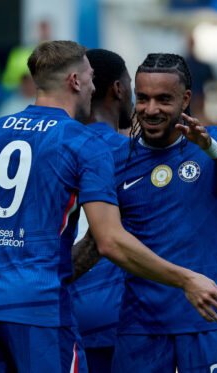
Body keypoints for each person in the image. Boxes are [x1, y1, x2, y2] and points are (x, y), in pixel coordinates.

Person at [0, 41, 217, 372]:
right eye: (91, 78)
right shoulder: (81, 142)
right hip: (39, 308)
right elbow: (109, 240)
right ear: (75, 81)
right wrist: (186, 280)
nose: (95, 88)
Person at [108, 52, 217, 372]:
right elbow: (104, 237)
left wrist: (211, 148)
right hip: (141, 327)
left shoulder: (216, 140)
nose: (151, 109)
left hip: (207, 320)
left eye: (164, 99)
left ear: (186, 99)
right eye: (144, 98)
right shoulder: (117, 158)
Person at [67, 48, 132, 373]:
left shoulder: (56, 147)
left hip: (60, 313)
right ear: (118, 89)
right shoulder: (133, 155)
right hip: (115, 315)